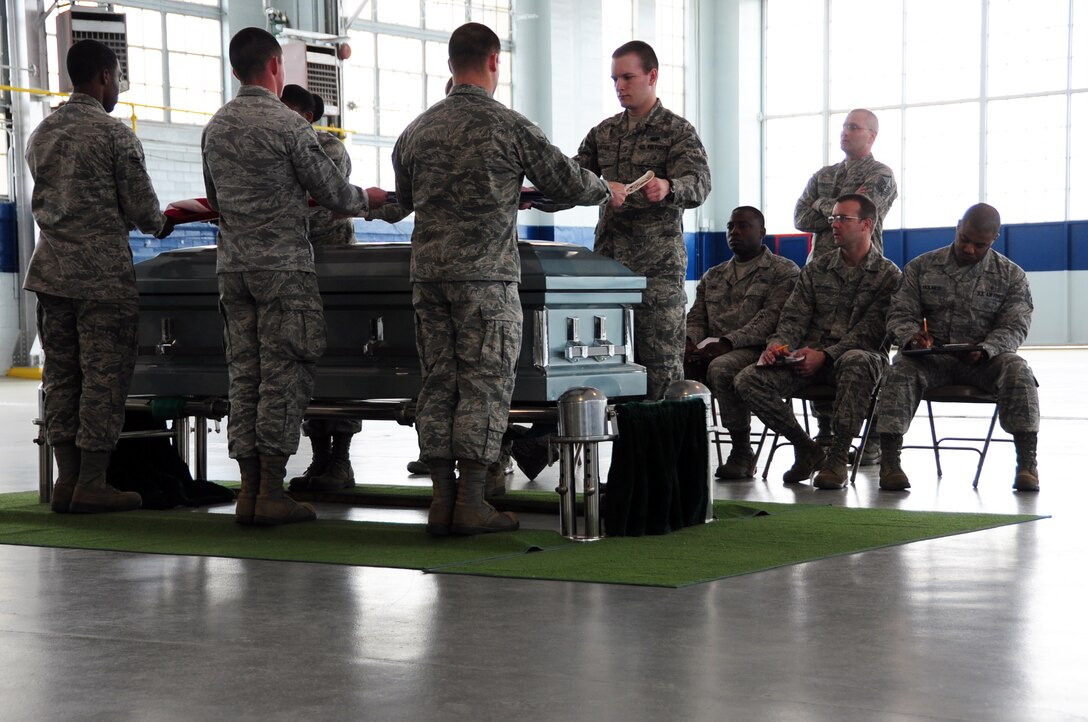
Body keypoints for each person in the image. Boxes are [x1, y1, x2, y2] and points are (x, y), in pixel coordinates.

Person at [393, 22, 610, 536]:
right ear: (495, 61)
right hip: (485, 282)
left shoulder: (416, 131)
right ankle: (471, 502)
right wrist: (605, 189)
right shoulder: (508, 126)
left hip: (428, 280)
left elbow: (405, 201)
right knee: (484, 387)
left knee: (439, 386)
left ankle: (442, 503)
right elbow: (565, 180)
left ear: (450, 65)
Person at [202, 27, 386, 526]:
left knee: (246, 378)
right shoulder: (289, 126)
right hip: (283, 271)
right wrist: (372, 200)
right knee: (283, 378)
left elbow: (216, 202)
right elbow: (335, 195)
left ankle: (247, 491)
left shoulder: (215, 127)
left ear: (236, 69)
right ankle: (272, 492)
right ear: (275, 66)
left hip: (233, 271)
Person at [25, 39, 174, 514]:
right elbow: (145, 210)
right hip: (101, 279)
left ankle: (67, 482)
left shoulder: (42, 133)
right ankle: (93, 481)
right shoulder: (113, 134)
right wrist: (167, 219)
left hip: (51, 272)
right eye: (117, 79)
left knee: (62, 377)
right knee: (104, 380)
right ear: (104, 77)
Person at [539, 40, 711, 400]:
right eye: (615, 79)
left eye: (628, 78)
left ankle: (662, 455)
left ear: (652, 76)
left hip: (657, 272)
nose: (620, 87)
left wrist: (670, 186)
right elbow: (573, 180)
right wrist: (535, 196)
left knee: (660, 367)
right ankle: (624, 454)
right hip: (608, 270)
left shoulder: (676, 131)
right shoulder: (604, 133)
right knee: (608, 360)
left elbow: (700, 184)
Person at [734, 194, 901, 489]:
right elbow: (792, 318)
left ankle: (837, 458)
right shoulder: (816, 269)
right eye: (832, 218)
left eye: (843, 219)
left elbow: (871, 333)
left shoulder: (888, 275)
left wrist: (825, 354)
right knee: (749, 379)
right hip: (807, 359)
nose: (834, 225)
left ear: (866, 225)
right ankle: (807, 448)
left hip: (856, 360)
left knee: (857, 360)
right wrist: (778, 345)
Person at [874, 203, 1040, 492]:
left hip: (983, 361)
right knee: (900, 370)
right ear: (958, 226)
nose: (970, 249)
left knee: (1018, 370)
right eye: (965, 239)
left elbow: (1015, 326)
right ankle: (890, 463)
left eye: (980, 244)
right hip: (931, 360)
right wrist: (913, 337)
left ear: (994, 239)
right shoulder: (921, 267)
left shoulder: (1011, 276)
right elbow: (899, 314)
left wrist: (987, 348)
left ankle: (1027, 463)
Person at [279, 85, 362, 492]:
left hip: (333, 267)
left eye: (293, 112)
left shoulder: (330, 149)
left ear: (311, 116)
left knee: (340, 363)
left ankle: (341, 459)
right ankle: (319, 457)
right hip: (293, 268)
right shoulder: (274, 144)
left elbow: (321, 193)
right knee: (304, 365)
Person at [684, 206, 800, 479]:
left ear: (762, 232)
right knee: (675, 367)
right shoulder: (714, 274)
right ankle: (684, 450)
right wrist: (690, 342)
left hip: (758, 350)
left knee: (722, 367)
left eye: (744, 226)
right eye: (730, 226)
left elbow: (772, 319)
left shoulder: (783, 271)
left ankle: (742, 451)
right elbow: (697, 317)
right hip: (712, 348)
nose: (735, 232)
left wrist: (727, 342)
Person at [794, 109, 898, 258]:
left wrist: (818, 203)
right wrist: (844, 217)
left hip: (862, 269)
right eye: (844, 127)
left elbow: (857, 213)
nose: (845, 132)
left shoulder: (881, 174)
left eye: (853, 128)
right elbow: (800, 219)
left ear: (871, 137)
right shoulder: (823, 174)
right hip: (818, 271)